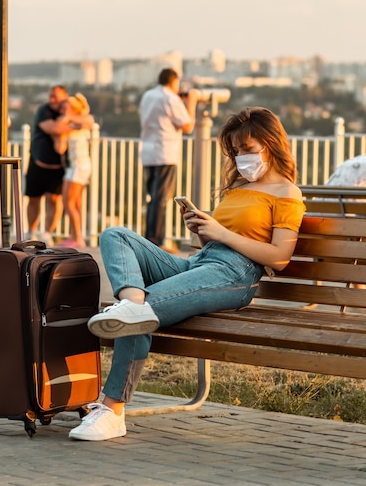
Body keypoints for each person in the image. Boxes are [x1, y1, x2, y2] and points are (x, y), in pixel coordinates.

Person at [68, 106, 306, 441]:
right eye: (236, 151)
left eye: (248, 150)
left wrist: (222, 233)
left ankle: (112, 410)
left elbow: (280, 258)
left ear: (271, 144)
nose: (241, 158)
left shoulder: (287, 194)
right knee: (115, 236)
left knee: (136, 317)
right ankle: (133, 299)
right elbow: (220, 238)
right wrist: (204, 229)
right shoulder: (238, 186)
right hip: (202, 262)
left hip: (236, 275)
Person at [139, 68, 198, 250]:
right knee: (161, 199)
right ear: (174, 82)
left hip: (148, 151)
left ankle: (151, 237)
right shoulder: (170, 98)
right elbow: (188, 126)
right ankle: (156, 241)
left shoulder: (148, 95)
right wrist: (192, 103)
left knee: (153, 198)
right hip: (164, 152)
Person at [24, 85, 69, 243]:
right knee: (33, 198)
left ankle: (48, 233)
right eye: (50, 96)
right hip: (38, 161)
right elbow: (51, 128)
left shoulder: (70, 111)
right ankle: (31, 231)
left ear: (65, 97)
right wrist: (73, 126)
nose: (51, 100)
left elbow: (87, 120)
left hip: (58, 166)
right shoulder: (44, 110)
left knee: (54, 199)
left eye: (55, 97)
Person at [52, 93, 94, 247]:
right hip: (75, 166)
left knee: (68, 201)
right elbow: (60, 148)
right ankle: (75, 235)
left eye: (66, 106)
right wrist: (60, 133)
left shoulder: (81, 121)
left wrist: (65, 122)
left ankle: (77, 237)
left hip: (79, 165)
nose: (62, 109)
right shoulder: (70, 124)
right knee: (75, 203)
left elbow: (88, 120)